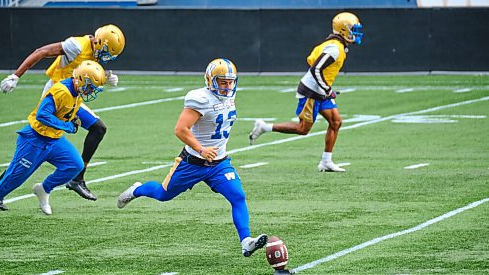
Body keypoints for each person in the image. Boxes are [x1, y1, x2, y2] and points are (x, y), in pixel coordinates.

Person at [117, 58, 268, 257]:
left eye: (230, 81)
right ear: (210, 80)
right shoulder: (200, 99)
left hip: (219, 163)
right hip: (193, 162)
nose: (227, 86)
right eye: (222, 81)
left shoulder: (230, 96)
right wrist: (201, 148)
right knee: (163, 195)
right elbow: (180, 129)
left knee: (237, 196)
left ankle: (246, 241)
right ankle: (137, 190)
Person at [0, 24, 125, 205]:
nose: (106, 57)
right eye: (105, 52)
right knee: (38, 148)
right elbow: (41, 51)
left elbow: (83, 71)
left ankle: (77, 178)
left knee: (98, 129)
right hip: (57, 95)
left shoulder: (93, 50)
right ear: (98, 42)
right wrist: (16, 75)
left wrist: (105, 75)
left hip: (72, 96)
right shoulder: (77, 45)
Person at [249, 12, 363, 172]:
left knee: (336, 122)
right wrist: (327, 89)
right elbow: (316, 68)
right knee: (303, 129)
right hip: (312, 92)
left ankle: (326, 161)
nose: (355, 33)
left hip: (320, 90)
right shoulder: (334, 49)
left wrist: (326, 89)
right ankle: (264, 127)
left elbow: (312, 59)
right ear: (343, 30)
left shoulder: (335, 45)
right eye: (352, 29)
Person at [0, 61, 106, 215]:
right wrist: (68, 127)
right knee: (9, 183)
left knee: (75, 165)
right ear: (81, 79)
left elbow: (63, 113)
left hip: (54, 140)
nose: (91, 91)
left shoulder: (76, 93)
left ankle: (44, 188)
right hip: (34, 140)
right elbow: (42, 115)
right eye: (90, 86)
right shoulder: (61, 91)